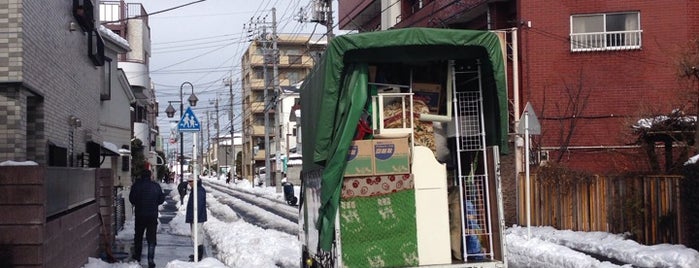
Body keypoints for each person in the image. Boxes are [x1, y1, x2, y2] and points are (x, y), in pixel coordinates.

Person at [129, 169, 165, 268]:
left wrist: (138, 203)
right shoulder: (156, 186)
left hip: (140, 214)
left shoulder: (136, 186)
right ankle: (150, 259)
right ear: (150, 176)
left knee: (138, 236)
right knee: (151, 238)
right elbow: (161, 199)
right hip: (152, 215)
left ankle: (137, 256)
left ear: (141, 176)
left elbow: (131, 199)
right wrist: (154, 203)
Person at [185, 176, 208, 261]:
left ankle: (199, 255)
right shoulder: (196, 189)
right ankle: (197, 253)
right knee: (196, 234)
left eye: (191, 181)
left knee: (196, 235)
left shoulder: (198, 190)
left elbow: (198, 205)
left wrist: (195, 216)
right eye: (188, 181)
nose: (189, 183)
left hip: (197, 217)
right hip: (196, 216)